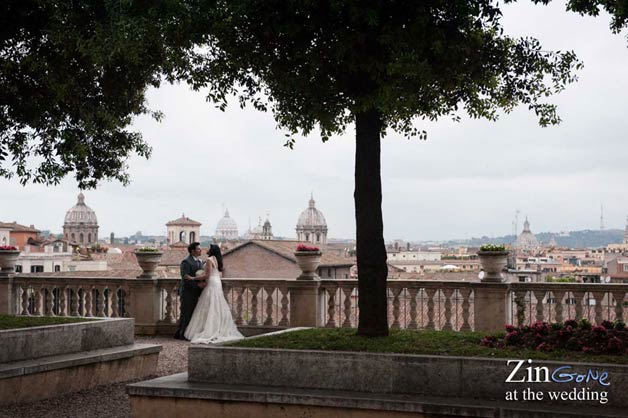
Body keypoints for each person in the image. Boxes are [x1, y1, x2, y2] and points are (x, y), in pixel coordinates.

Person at [184, 244, 243, 343]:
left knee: (209, 305)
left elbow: (206, 275)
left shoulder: (209, 260)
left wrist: (193, 278)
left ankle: (209, 329)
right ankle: (218, 328)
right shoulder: (216, 259)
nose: (206, 249)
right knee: (216, 305)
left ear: (212, 250)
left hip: (211, 282)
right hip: (217, 282)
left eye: (209, 248)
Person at [174, 242, 205, 340]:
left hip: (196, 293)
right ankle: (181, 334)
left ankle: (188, 333)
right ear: (192, 251)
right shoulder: (186, 262)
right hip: (187, 292)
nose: (200, 250)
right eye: (198, 249)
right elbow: (185, 278)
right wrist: (198, 285)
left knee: (193, 314)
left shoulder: (200, 262)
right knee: (186, 313)